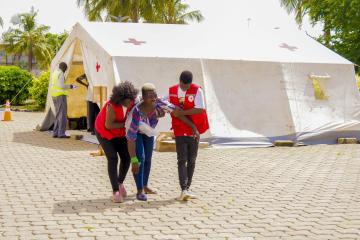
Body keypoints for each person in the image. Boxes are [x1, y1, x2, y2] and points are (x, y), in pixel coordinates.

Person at [126, 83, 199, 201]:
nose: (154, 97)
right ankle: (140, 191)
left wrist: (193, 127)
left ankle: (145, 186)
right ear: (143, 98)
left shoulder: (159, 103)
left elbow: (177, 112)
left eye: (155, 94)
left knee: (148, 159)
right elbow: (131, 138)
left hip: (148, 131)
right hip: (136, 134)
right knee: (140, 159)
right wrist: (133, 159)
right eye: (150, 96)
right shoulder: (137, 112)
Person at [166, 70, 209, 201]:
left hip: (194, 131)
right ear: (180, 82)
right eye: (183, 86)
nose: (185, 88)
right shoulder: (172, 90)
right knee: (181, 160)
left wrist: (182, 114)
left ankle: (187, 188)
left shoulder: (197, 91)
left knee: (192, 161)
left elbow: (200, 108)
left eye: (187, 86)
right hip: (180, 130)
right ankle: (183, 188)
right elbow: (169, 108)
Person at [95, 81, 138, 203]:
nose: (131, 102)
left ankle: (120, 183)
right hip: (104, 132)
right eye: (129, 100)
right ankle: (115, 191)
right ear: (121, 99)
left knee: (126, 157)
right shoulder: (112, 106)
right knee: (113, 158)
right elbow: (108, 125)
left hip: (119, 132)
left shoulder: (132, 102)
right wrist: (126, 124)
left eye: (132, 99)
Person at [51, 62, 77, 138]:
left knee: (58, 114)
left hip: (54, 95)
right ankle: (61, 133)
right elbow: (61, 86)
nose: (66, 70)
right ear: (63, 68)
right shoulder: (61, 73)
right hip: (60, 96)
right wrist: (71, 86)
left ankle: (55, 132)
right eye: (66, 68)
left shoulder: (55, 72)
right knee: (62, 115)